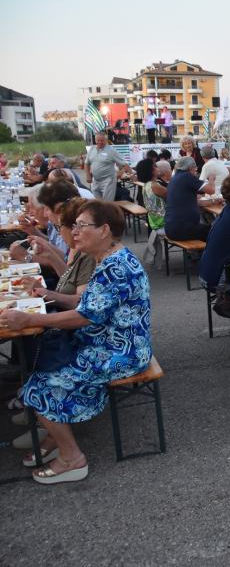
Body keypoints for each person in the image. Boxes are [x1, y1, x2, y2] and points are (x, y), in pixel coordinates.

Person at [0, 200, 151, 484]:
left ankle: (72, 458)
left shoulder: (115, 267)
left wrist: (30, 320)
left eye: (82, 226)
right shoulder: (108, 259)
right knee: (42, 366)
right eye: (75, 226)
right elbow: (87, 309)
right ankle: (54, 436)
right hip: (107, 344)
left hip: (121, 352)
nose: (75, 232)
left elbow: (84, 317)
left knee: (37, 387)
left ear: (104, 230)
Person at [21, 197, 96, 310]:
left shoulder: (89, 255)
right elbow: (69, 279)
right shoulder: (79, 250)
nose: (59, 234)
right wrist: (49, 253)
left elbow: (81, 306)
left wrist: (44, 292)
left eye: (59, 227)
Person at [164, 156, 217, 241]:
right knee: (216, 232)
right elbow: (211, 190)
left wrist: (214, 201)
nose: (195, 172)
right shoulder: (186, 176)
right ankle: (206, 254)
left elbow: (196, 202)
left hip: (171, 227)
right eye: (195, 169)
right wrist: (211, 179)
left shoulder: (175, 178)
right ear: (191, 168)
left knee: (207, 228)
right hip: (182, 228)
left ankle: (197, 253)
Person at [85, 132, 130, 201]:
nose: (100, 142)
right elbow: (86, 163)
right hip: (95, 181)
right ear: (95, 140)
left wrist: (132, 174)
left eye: (102, 140)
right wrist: (88, 175)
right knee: (97, 202)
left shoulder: (111, 150)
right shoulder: (91, 149)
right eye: (98, 140)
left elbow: (124, 163)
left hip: (108, 181)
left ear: (106, 140)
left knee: (107, 203)